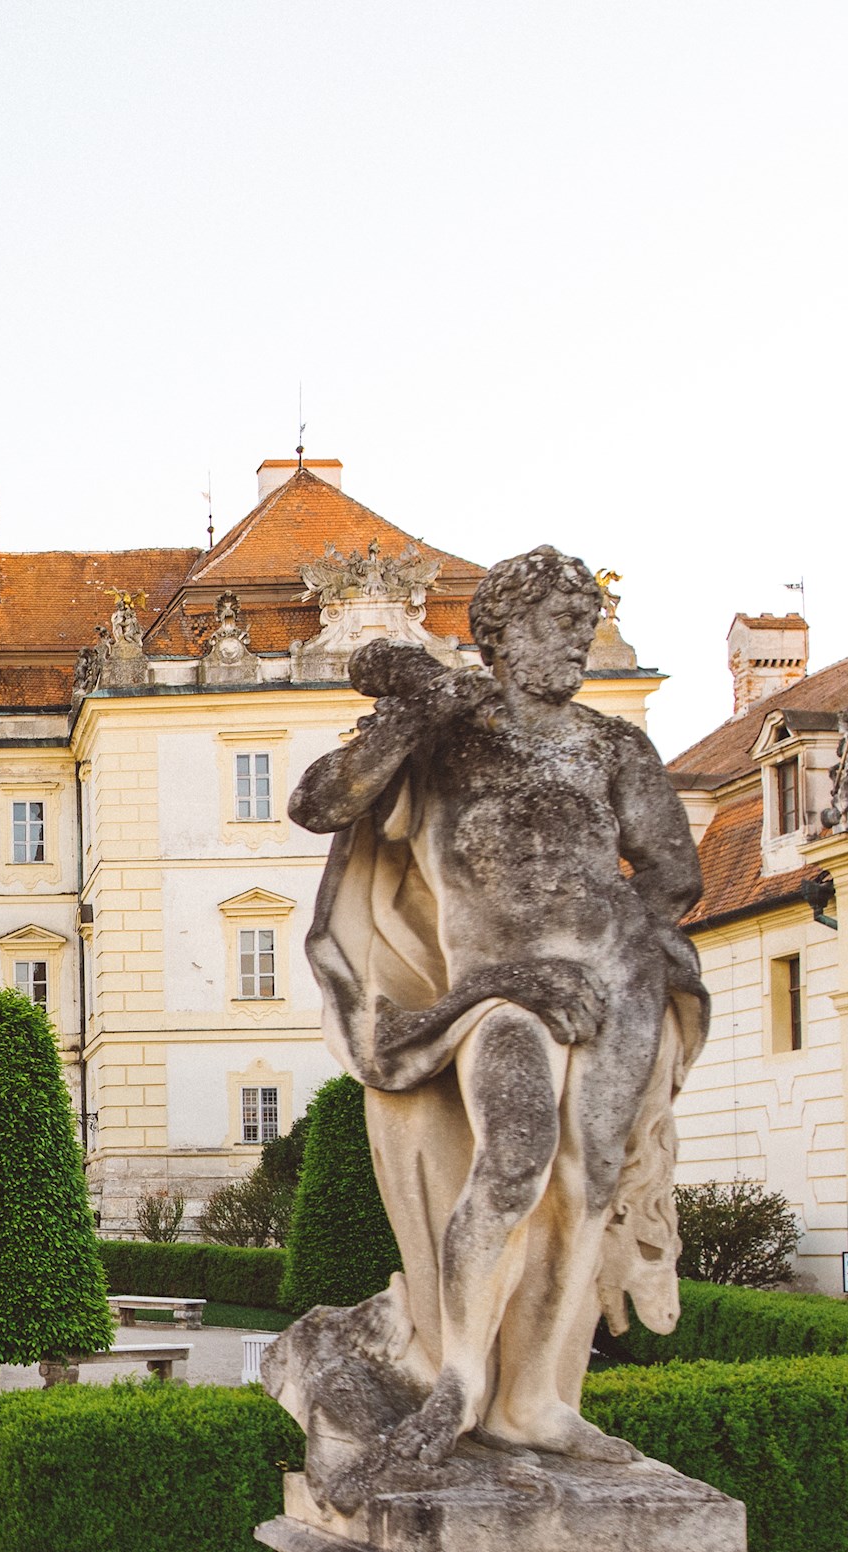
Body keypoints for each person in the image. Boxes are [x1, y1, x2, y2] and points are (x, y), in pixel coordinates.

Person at [284, 545, 705, 1480]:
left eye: (584, 627)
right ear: (500, 635)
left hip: (616, 983)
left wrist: (625, 943)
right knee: (512, 1164)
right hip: (497, 991)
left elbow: (675, 872)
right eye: (559, 626)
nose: (577, 645)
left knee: (583, 1190)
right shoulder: (450, 736)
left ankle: (533, 1403)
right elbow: (319, 801)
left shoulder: (612, 745)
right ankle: (459, 1382)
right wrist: (414, 712)